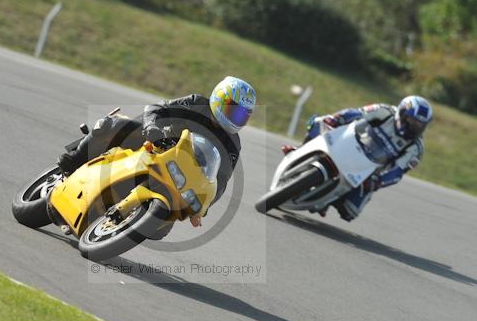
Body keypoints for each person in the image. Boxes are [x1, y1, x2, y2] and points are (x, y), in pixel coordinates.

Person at [57, 76, 256, 226]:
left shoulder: (233, 144)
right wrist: (152, 127)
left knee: (165, 225)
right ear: (219, 99)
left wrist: (202, 209)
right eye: (235, 111)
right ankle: (73, 161)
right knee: (110, 125)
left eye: (243, 116)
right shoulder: (196, 103)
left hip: (181, 174)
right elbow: (157, 108)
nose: (237, 119)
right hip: (155, 141)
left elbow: (220, 182)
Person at [282, 95, 433, 221]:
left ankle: (330, 199)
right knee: (317, 123)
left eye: (419, 125)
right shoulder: (385, 111)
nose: (414, 127)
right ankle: (300, 150)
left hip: (370, 171)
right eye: (411, 121)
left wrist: (378, 181)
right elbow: (355, 113)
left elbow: (397, 173)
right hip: (352, 143)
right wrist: (335, 119)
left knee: (350, 211)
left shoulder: (416, 149)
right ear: (401, 112)